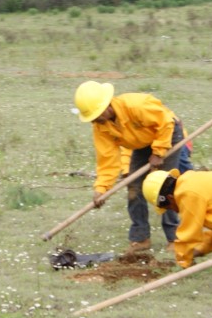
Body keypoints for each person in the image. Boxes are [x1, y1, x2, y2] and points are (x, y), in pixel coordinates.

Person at [74, 81, 193, 251]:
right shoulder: (101, 126)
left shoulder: (136, 105)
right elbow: (107, 160)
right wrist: (102, 189)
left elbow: (166, 123)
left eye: (96, 116)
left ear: (107, 106)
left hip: (168, 133)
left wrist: (158, 152)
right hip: (141, 144)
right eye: (91, 118)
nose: (95, 121)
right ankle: (141, 237)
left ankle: (175, 238)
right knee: (134, 188)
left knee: (165, 186)